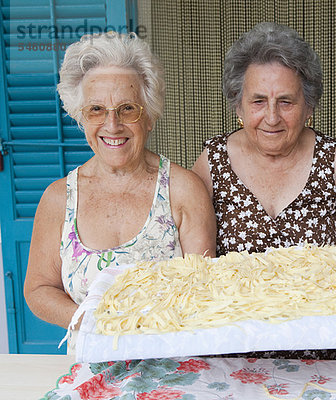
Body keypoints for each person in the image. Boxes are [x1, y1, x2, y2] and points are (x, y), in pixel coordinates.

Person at [192, 22, 336, 359]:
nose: (272, 117)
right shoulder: (212, 162)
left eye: (286, 102)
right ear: (238, 106)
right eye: (258, 101)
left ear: (309, 106)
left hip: (324, 346)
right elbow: (194, 259)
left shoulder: (335, 160)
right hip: (235, 350)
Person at [24, 32, 216, 334]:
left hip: (175, 367)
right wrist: (94, 322)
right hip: (92, 369)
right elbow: (38, 290)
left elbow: (203, 289)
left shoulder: (183, 189)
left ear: (149, 116)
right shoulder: (59, 198)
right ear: (81, 118)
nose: (112, 125)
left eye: (127, 108)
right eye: (96, 110)